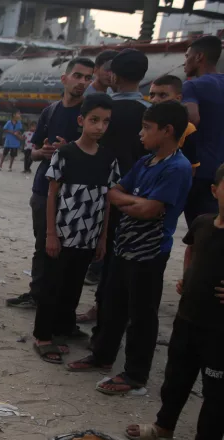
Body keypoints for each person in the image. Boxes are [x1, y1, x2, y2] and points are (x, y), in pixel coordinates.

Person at [68, 102, 193, 397]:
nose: (141, 134)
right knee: (112, 307)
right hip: (123, 246)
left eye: (147, 128)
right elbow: (113, 192)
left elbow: (150, 210)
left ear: (168, 131)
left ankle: (135, 374)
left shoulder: (177, 167)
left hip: (150, 253)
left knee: (142, 315)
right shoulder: (146, 162)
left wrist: (132, 203)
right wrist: (134, 203)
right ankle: (102, 356)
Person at [124, 163, 224, 440]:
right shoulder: (203, 223)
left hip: (220, 330)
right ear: (214, 190)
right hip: (187, 318)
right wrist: (187, 277)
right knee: (176, 377)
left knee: (216, 391)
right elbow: (191, 249)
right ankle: (164, 426)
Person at [33, 94, 117, 364]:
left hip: (89, 237)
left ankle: (63, 329)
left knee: (73, 287)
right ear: (81, 121)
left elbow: (107, 201)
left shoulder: (108, 159)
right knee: (52, 286)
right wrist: (50, 234)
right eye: (94, 120)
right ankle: (43, 336)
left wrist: (102, 238)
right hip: (62, 235)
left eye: (105, 122)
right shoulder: (65, 154)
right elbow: (52, 195)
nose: (99, 127)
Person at [6, 57, 94, 309]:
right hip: (44, 191)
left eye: (88, 78)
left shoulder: (90, 114)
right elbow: (33, 151)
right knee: (42, 245)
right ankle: (37, 294)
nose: (83, 82)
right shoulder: (50, 111)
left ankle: (57, 303)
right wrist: (42, 153)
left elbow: (98, 153)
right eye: (78, 76)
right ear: (64, 78)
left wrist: (69, 149)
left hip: (75, 195)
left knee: (68, 253)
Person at [82, 49, 152, 315]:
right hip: (139, 195)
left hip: (99, 193)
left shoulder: (103, 112)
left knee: (99, 252)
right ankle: (114, 309)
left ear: (113, 75)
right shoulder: (150, 113)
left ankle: (100, 307)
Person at [182, 35, 224, 227]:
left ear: (199, 57)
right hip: (221, 172)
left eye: (187, 55)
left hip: (201, 171)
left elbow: (192, 119)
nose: (185, 61)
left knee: (199, 230)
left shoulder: (192, 85)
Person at [149, 74, 200, 173]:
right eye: (152, 95)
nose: (155, 100)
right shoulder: (144, 124)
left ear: (178, 98)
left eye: (162, 95)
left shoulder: (187, 129)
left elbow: (192, 168)